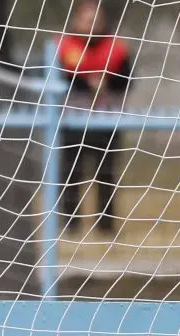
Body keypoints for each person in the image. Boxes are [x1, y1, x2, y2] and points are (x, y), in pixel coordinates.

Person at [57, 0, 132, 235]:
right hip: (72, 121)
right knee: (70, 174)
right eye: (87, 19)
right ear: (76, 21)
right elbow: (59, 79)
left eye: (96, 19)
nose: (91, 24)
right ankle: (70, 224)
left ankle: (106, 225)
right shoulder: (64, 48)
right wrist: (86, 84)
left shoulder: (116, 50)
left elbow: (126, 81)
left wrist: (105, 83)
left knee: (106, 174)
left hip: (105, 120)